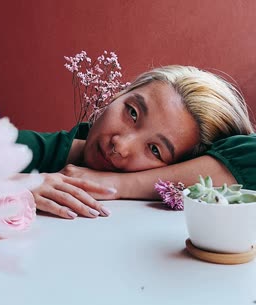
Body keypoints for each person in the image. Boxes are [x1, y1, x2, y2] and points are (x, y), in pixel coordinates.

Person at [17, 65, 256, 219]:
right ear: (118, 95)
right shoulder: (27, 149)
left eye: (154, 150)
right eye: (132, 112)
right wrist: (12, 187)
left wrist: (119, 185)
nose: (120, 145)